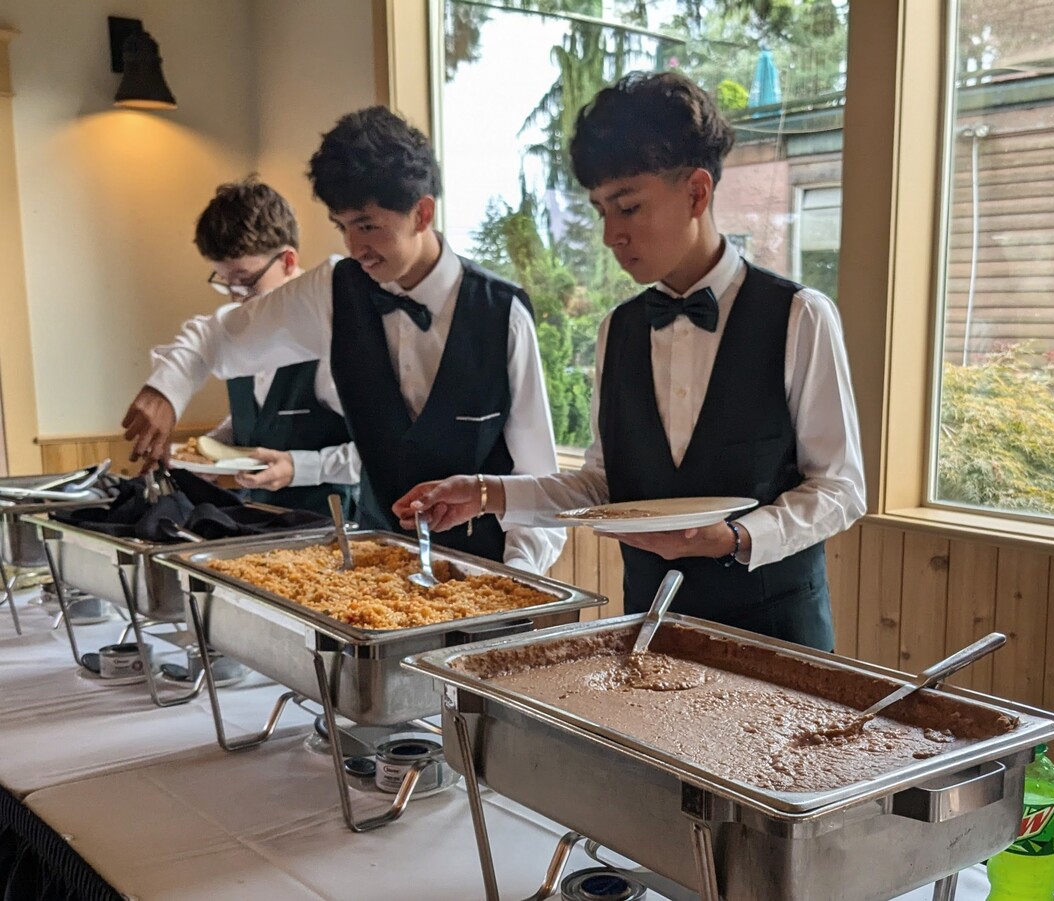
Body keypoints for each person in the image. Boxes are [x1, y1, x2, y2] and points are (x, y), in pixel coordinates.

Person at [393, 71, 866, 651]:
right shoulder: (617, 329)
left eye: (629, 207)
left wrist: (737, 537)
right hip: (650, 632)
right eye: (601, 211)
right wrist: (485, 493)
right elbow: (604, 485)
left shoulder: (799, 315)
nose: (610, 235)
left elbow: (840, 489)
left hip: (777, 638)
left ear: (697, 193)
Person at [121, 107, 565, 574]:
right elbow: (217, 335)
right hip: (373, 572)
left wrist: (518, 577)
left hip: (488, 572)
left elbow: (537, 479)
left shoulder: (503, 314)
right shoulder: (333, 291)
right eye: (342, 226)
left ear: (422, 213)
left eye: (367, 225)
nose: (354, 247)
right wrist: (165, 389)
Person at [189, 177, 359, 517]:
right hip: (261, 522)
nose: (236, 298)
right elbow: (258, 416)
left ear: (288, 261)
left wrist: (302, 467)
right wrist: (211, 446)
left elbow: (379, 452)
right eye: (226, 283)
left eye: (246, 282)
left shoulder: (336, 332)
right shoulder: (240, 332)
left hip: (336, 529)